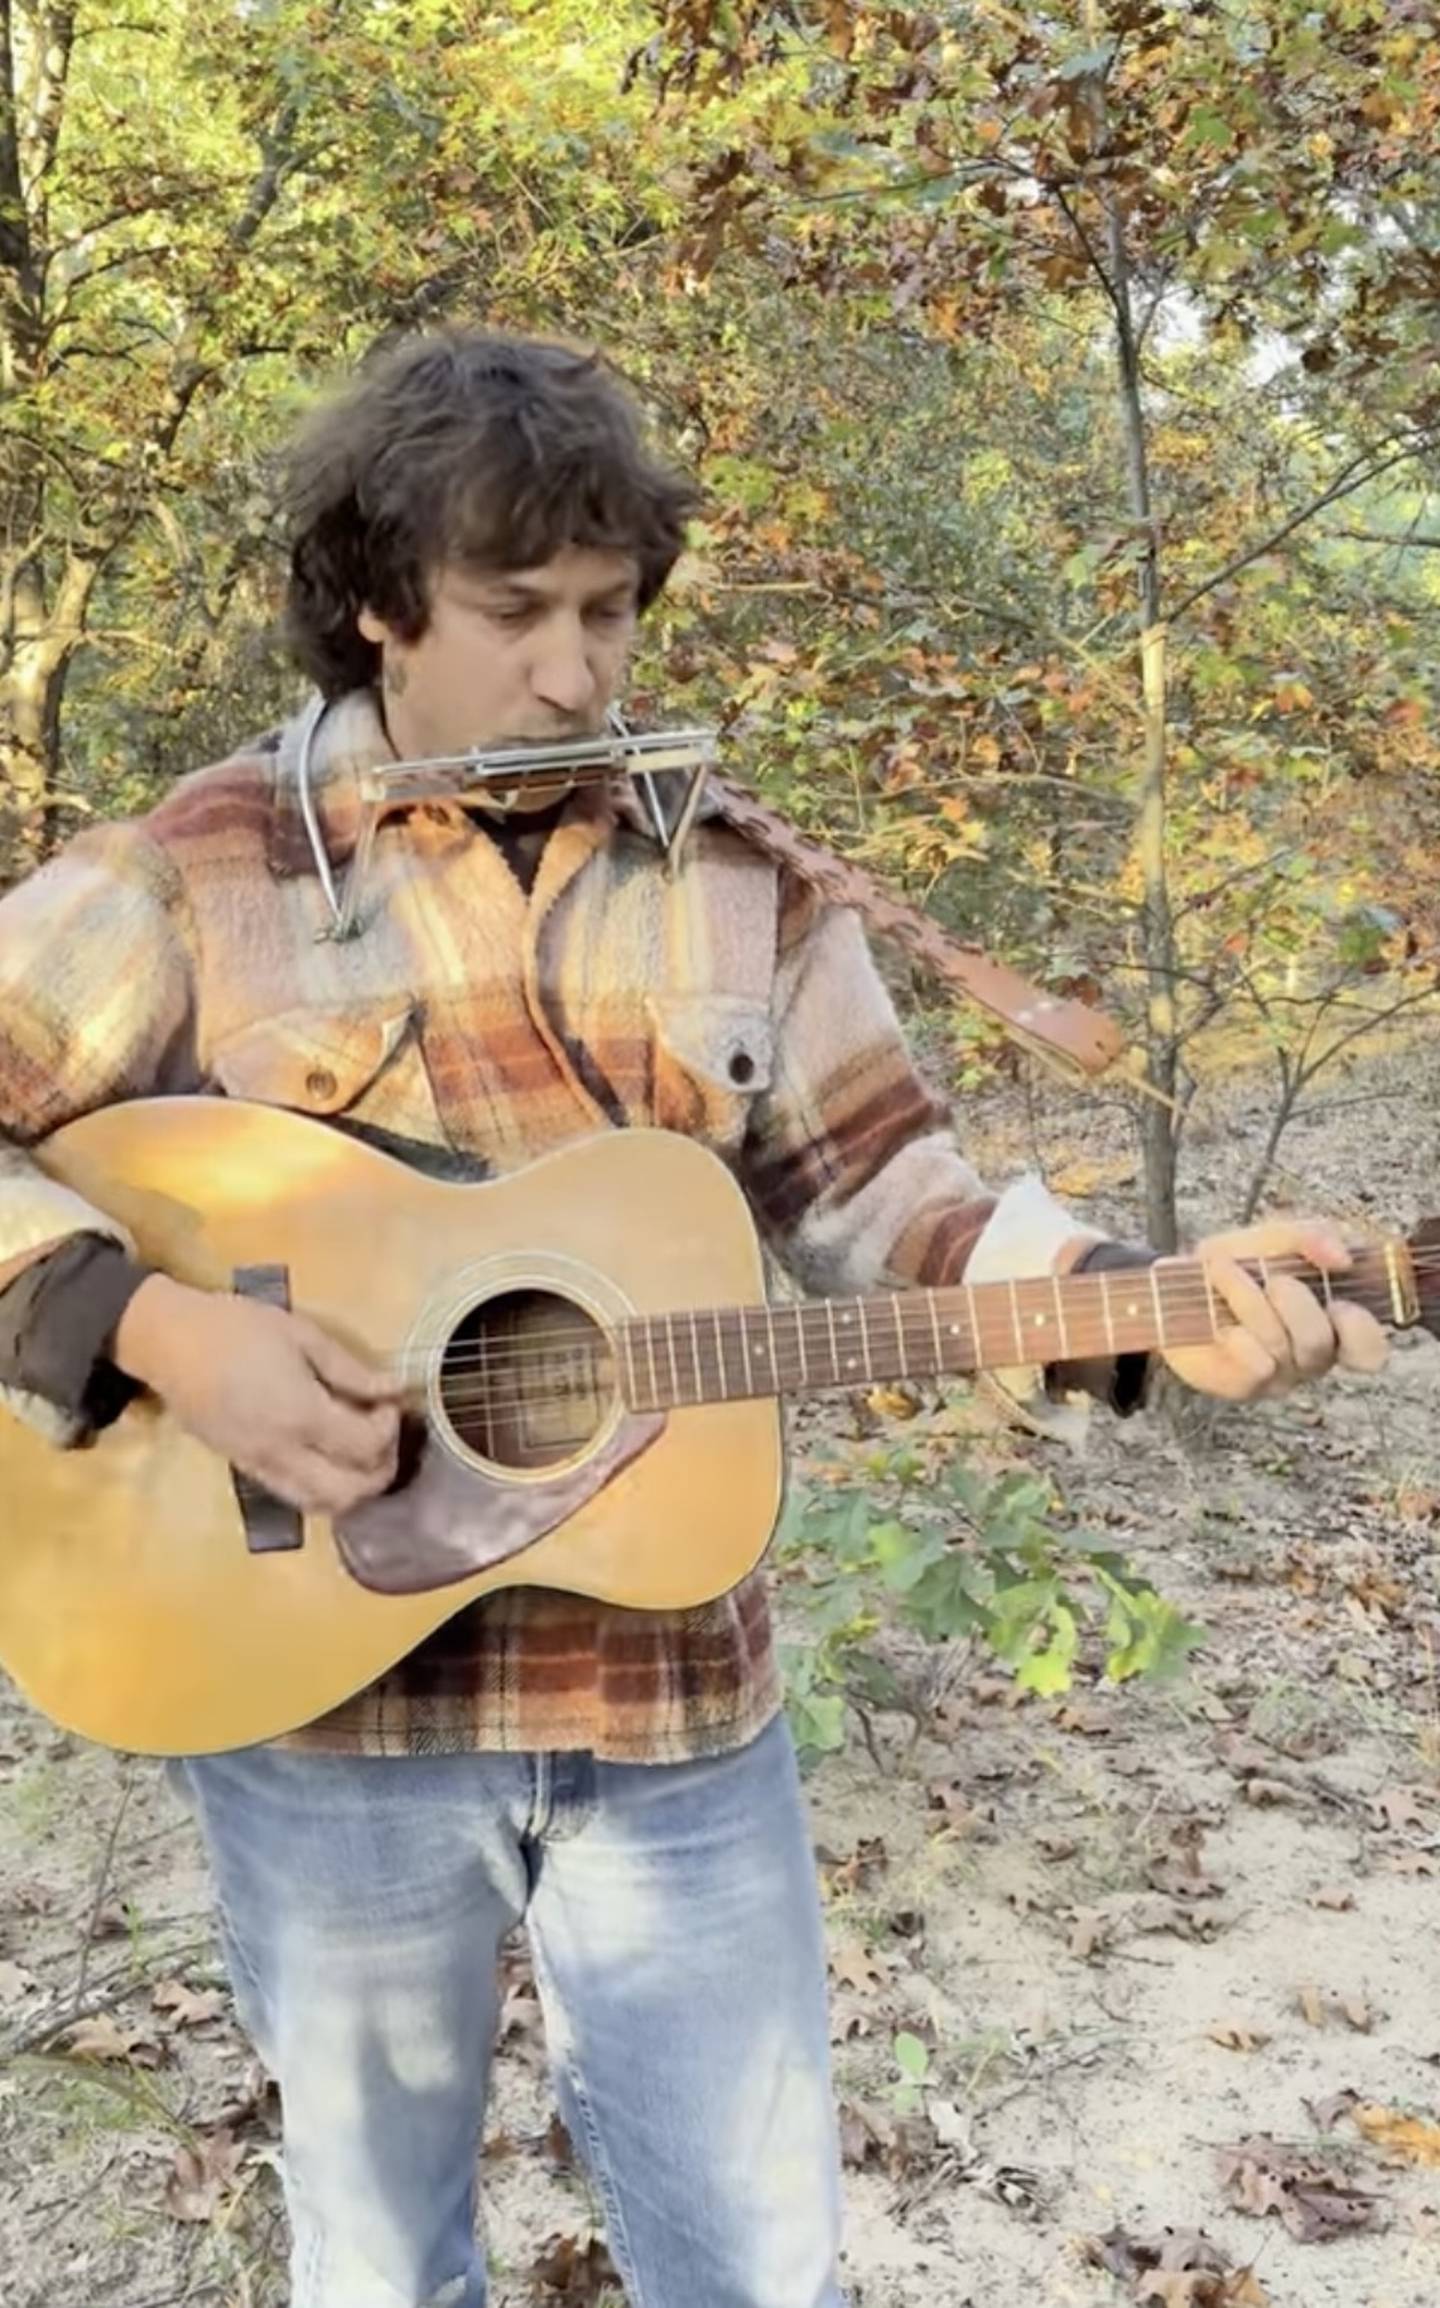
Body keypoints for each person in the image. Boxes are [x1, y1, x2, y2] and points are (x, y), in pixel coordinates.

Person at [0, 331, 1388, 2308]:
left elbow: (896, 1196)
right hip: (322, 1709)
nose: (578, 673)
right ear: (384, 599)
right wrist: (148, 1323)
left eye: (611, 614)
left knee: (760, 2266)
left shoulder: (738, 879)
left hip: (670, 1706)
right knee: (381, 2266)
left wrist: (1137, 1310)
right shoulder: (194, 873)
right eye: (518, 615)